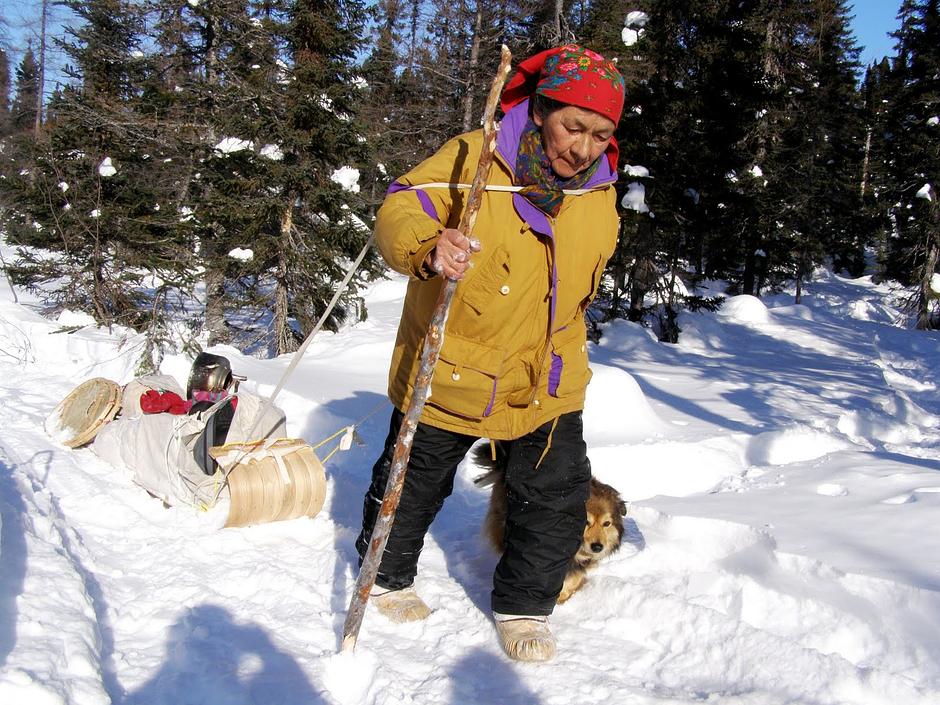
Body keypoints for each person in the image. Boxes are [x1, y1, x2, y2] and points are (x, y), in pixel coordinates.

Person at [355, 44, 625, 662]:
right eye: (573, 126)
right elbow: (401, 207)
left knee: (556, 494)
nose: (584, 147)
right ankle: (387, 575)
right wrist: (428, 244)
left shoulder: (600, 187)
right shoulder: (476, 157)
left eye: (601, 133)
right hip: (455, 363)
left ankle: (527, 604)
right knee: (416, 480)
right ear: (539, 108)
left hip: (546, 373)